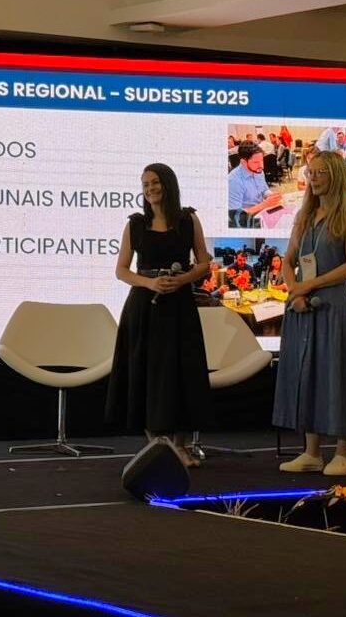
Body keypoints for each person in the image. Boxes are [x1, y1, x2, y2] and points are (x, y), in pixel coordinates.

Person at [106, 163, 211, 467]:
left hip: (179, 307)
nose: (149, 189)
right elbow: (122, 270)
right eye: (145, 184)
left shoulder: (188, 220)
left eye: (154, 182)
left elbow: (204, 263)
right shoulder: (136, 224)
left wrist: (182, 280)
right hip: (144, 307)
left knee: (180, 373)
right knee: (145, 373)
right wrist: (150, 282)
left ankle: (179, 445)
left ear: (167, 184)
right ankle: (158, 445)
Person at [273, 151, 346, 476]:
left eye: (320, 173)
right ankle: (311, 452)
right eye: (310, 173)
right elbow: (288, 261)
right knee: (307, 374)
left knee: (336, 373)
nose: (312, 179)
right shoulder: (304, 217)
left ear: (336, 176)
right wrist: (295, 290)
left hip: (333, 305)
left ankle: (343, 452)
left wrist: (309, 284)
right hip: (301, 306)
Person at [227, 143, 281, 228]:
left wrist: (271, 195)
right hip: (247, 220)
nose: (261, 166)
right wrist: (264, 204)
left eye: (262, 160)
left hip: (261, 212)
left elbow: (264, 190)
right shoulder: (233, 181)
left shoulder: (258, 171)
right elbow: (236, 216)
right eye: (256, 162)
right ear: (243, 162)